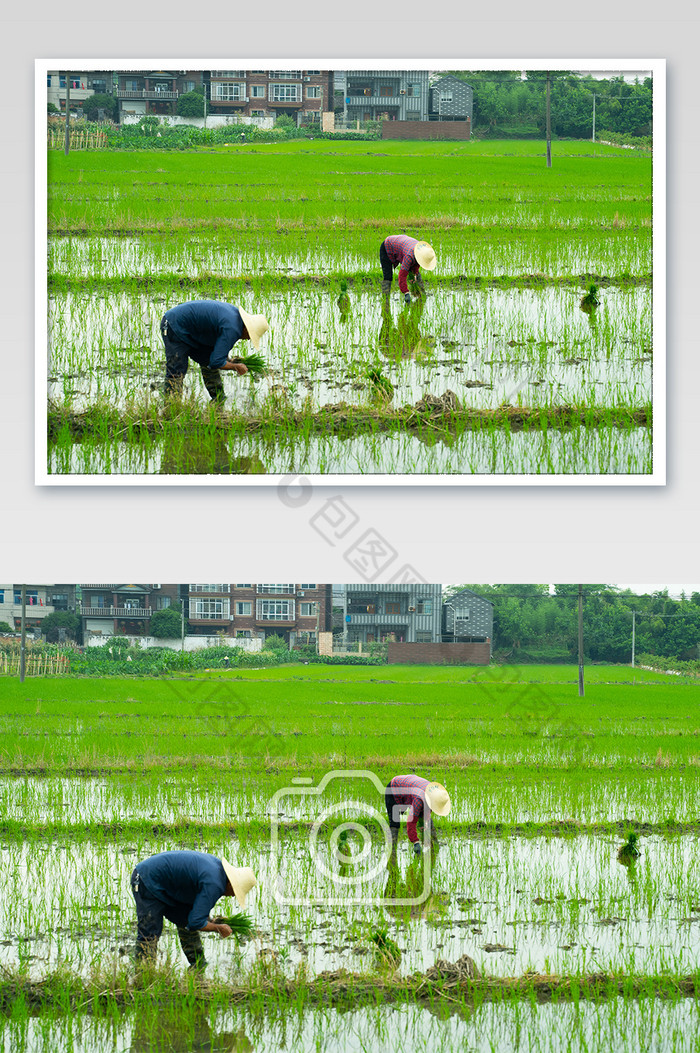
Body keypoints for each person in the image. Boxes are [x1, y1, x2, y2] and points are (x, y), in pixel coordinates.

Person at [130, 849, 256, 969]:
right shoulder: (214, 884)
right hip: (146, 878)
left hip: (165, 884)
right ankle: (143, 974)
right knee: (149, 930)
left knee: (185, 920)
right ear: (231, 884)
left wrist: (213, 921)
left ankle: (198, 965)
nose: (233, 896)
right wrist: (218, 928)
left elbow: (195, 915)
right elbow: (196, 922)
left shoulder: (217, 871)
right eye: (235, 892)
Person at [160, 300, 269, 402]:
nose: (248, 339)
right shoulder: (233, 329)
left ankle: (218, 400)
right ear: (247, 329)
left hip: (192, 330)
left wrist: (231, 361)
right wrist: (235, 367)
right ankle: (171, 407)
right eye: (250, 336)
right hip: (174, 325)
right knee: (176, 369)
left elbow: (216, 355)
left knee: (208, 362)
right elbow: (216, 362)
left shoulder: (235, 319)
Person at [385, 774, 451, 853]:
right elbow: (411, 822)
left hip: (411, 787)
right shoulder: (419, 799)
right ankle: (392, 849)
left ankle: (434, 842)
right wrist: (415, 842)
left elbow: (426, 815)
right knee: (395, 822)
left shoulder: (434, 794)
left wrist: (431, 838)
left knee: (424, 816)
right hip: (394, 789)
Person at [380, 235, 436, 303]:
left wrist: (414, 275)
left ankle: (421, 292)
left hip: (401, 245)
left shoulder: (421, 252)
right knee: (388, 276)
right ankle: (385, 299)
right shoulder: (409, 256)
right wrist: (406, 292)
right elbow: (402, 275)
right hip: (388, 246)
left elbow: (415, 266)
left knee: (414, 272)